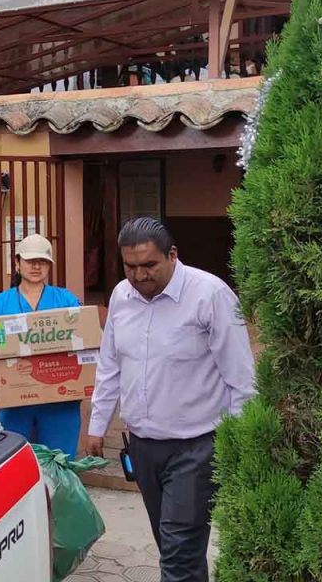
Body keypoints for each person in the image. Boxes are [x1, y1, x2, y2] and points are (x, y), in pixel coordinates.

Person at [85, 217, 255, 582]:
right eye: (130, 266)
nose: (139, 275)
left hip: (197, 448)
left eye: (149, 265)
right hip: (143, 447)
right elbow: (110, 364)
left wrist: (240, 445)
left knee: (178, 551)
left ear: (172, 255)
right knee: (175, 548)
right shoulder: (121, 296)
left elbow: (241, 379)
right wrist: (98, 425)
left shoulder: (210, 295)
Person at [0, 233, 82, 457]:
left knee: (59, 464)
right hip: (16, 401)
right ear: (17, 263)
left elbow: (86, 337)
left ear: (49, 266)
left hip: (60, 401)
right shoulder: (2, 301)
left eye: (42, 261)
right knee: (17, 461)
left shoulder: (65, 299)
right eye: (30, 261)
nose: (36, 266)